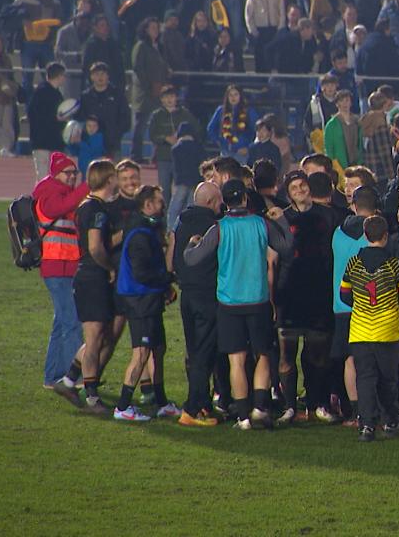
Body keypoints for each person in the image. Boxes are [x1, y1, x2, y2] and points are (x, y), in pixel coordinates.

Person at [184, 179, 292, 428]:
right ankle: (260, 409)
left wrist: (191, 243)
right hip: (258, 301)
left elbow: (192, 259)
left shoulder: (219, 228)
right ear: (244, 198)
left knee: (236, 360)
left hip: (229, 304)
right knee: (263, 354)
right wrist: (282, 220)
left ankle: (243, 417)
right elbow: (286, 247)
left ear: (225, 201)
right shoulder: (261, 223)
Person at [275, 172, 342, 424]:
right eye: (294, 187)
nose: (300, 189)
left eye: (303, 185)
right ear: (289, 193)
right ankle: (290, 407)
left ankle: (319, 403)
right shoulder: (282, 218)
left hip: (319, 293)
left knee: (318, 354)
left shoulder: (328, 216)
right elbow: (273, 259)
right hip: (290, 294)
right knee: (287, 354)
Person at [338, 215, 399, 441]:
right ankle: (389, 422)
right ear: (386, 236)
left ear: (365, 235)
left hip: (360, 331)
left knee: (365, 379)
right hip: (388, 332)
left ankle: (366, 426)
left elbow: (344, 294)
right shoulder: (394, 265)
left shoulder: (354, 264)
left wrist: (361, 307)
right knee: (388, 380)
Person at [111, 185, 180, 421]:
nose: (163, 206)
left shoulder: (146, 228)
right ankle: (122, 407)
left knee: (157, 349)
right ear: (148, 205)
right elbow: (142, 273)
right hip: (139, 300)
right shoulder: (140, 234)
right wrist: (168, 279)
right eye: (160, 202)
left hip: (149, 298)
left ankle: (161, 402)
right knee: (141, 353)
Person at [58, 159, 118, 414]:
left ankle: (69, 380)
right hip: (93, 278)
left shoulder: (90, 206)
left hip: (89, 277)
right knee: (94, 340)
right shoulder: (96, 209)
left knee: (99, 335)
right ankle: (92, 397)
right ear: (108, 179)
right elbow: (95, 247)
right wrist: (109, 267)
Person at [34, 152, 90, 388]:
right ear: (55, 174)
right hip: (55, 267)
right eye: (68, 173)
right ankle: (72, 376)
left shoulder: (64, 194)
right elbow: (63, 207)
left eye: (75, 173)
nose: (72, 177)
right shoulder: (48, 194)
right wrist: (88, 185)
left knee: (61, 323)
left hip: (65, 267)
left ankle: (52, 376)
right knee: (72, 322)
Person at [171, 181, 224, 427]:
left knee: (195, 352)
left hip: (187, 295)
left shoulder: (181, 221)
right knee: (204, 352)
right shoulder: (213, 226)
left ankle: (202, 405)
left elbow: (172, 258)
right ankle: (193, 408)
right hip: (206, 295)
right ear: (211, 202)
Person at [330, 186, 380, 424]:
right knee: (371, 360)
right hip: (368, 306)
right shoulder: (374, 233)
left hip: (341, 306)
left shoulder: (338, 232)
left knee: (350, 360)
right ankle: (372, 410)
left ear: (353, 205)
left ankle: (357, 411)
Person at [149, 84, 201, 207]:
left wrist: (186, 139)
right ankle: (164, 216)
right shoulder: (157, 115)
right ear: (161, 99)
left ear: (176, 98)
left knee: (182, 191)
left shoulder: (185, 114)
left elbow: (197, 130)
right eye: (166, 97)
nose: (169, 100)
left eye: (172, 96)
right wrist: (165, 138)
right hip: (164, 157)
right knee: (164, 190)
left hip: (183, 159)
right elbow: (152, 135)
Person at [131, 17, 169, 164]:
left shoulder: (158, 46)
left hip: (158, 91)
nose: (155, 30)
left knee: (157, 124)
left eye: (157, 27)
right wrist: (149, 85)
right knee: (140, 125)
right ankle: (136, 155)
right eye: (152, 27)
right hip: (144, 93)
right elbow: (138, 68)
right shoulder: (141, 46)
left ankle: (156, 154)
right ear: (145, 30)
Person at [77, 62, 131, 160]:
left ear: (108, 76)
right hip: (91, 144)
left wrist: (116, 133)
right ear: (92, 77)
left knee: (113, 173)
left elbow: (126, 118)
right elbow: (81, 118)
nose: (100, 77)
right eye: (97, 74)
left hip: (112, 145)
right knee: (91, 174)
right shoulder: (85, 96)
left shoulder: (117, 95)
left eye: (103, 74)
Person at [26, 62, 68, 179]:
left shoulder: (53, 92)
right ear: (59, 76)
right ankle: (42, 198)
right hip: (43, 141)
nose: (64, 78)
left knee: (53, 175)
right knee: (44, 176)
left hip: (51, 141)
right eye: (63, 75)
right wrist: (57, 119)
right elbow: (37, 116)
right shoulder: (43, 92)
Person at [168, 122, 208, 231]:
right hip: (195, 180)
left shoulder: (176, 149)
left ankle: (171, 228)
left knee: (175, 206)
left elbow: (175, 168)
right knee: (191, 206)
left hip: (181, 180)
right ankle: (188, 229)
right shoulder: (198, 147)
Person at [245, 0, 285, 73]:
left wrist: (280, 27)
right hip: (260, 30)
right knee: (260, 57)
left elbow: (281, 10)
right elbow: (248, 14)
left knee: (274, 56)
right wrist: (253, 30)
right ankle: (261, 82)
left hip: (273, 28)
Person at [208, 85, 258, 162]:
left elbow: (258, 131)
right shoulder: (221, 110)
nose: (233, 97)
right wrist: (219, 142)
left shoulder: (249, 111)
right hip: (225, 153)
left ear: (240, 96)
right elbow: (210, 129)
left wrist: (249, 148)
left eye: (236, 94)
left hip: (242, 154)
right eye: (230, 95)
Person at [323, 89, 362, 175]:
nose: (345, 103)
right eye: (342, 101)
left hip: (356, 164)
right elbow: (329, 148)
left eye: (347, 100)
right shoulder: (331, 125)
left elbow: (360, 143)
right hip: (339, 167)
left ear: (351, 103)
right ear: (337, 104)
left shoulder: (357, 121)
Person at [81, 14, 124, 89]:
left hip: (113, 84)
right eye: (102, 25)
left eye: (107, 25)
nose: (106, 28)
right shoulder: (91, 45)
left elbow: (119, 65)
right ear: (95, 28)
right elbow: (87, 66)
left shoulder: (113, 43)